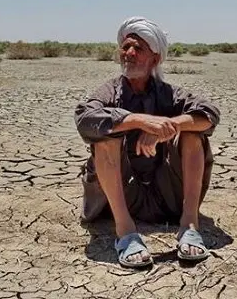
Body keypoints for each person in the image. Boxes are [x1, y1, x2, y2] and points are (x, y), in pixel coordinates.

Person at [74, 16, 220, 268]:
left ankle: (189, 225)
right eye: (125, 47)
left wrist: (169, 126)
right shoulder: (110, 91)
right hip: (119, 198)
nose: (129, 53)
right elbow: (85, 118)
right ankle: (125, 233)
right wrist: (138, 121)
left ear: (155, 58)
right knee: (105, 135)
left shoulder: (169, 94)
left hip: (167, 195)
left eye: (138, 48)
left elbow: (209, 114)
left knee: (193, 132)